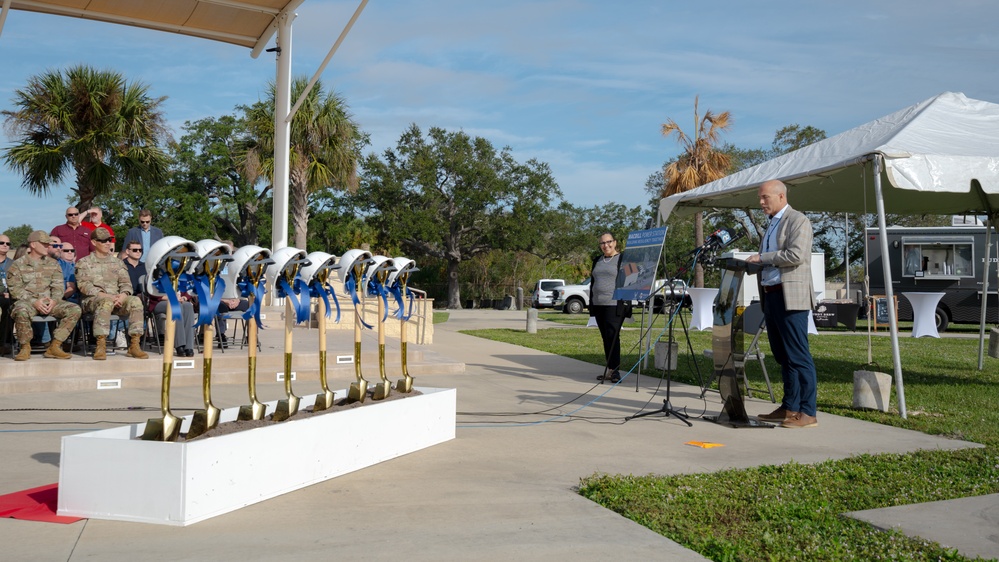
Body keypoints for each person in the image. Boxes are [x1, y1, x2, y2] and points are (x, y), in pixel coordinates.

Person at [745, 179, 819, 429]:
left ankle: (808, 412)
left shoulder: (799, 220)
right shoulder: (772, 224)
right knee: (783, 355)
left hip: (792, 297)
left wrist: (762, 258)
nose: (761, 202)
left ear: (781, 196)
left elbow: (797, 254)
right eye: (760, 198)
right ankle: (790, 407)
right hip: (772, 295)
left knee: (798, 355)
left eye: (765, 197)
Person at [6, 231, 80, 361]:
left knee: (74, 309)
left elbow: (58, 287)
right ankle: (25, 347)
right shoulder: (18, 265)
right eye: (45, 244)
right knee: (21, 311)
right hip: (27, 303)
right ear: (33, 245)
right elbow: (15, 290)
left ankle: (55, 346)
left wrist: (54, 301)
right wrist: (34, 301)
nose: (48, 247)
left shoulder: (53, 264)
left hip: (49, 303)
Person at [75, 228, 148, 360]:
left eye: (109, 240)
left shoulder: (117, 263)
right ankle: (101, 345)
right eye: (103, 241)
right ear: (94, 242)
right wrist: (108, 296)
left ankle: (134, 345)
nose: (108, 243)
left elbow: (126, 283)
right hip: (93, 300)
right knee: (106, 302)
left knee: (135, 301)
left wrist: (123, 295)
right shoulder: (84, 263)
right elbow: (84, 286)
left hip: (117, 300)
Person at [589, 232, 631, 383]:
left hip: (614, 304)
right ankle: (610, 369)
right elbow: (594, 282)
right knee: (606, 338)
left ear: (615, 242)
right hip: (599, 303)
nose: (605, 245)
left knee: (613, 337)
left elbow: (633, 278)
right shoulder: (597, 260)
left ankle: (615, 371)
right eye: (602, 243)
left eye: (609, 242)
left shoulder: (623, 259)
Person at [0, 234, 14, 355]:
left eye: (8, 244)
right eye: (2, 243)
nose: (5, 245)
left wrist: (10, 293)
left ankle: (4, 343)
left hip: (9, 296)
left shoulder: (13, 264)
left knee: (8, 306)